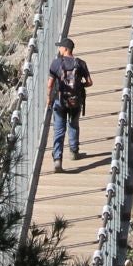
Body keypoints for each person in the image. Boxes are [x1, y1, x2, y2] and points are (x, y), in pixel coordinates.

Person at [47, 37, 91, 172]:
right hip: (75, 101)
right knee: (73, 125)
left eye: (60, 47)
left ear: (66, 49)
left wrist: (48, 99)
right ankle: (73, 152)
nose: (59, 49)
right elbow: (90, 82)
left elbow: (50, 85)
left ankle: (57, 160)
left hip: (59, 101)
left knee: (59, 130)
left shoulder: (56, 63)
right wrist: (79, 87)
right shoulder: (80, 64)